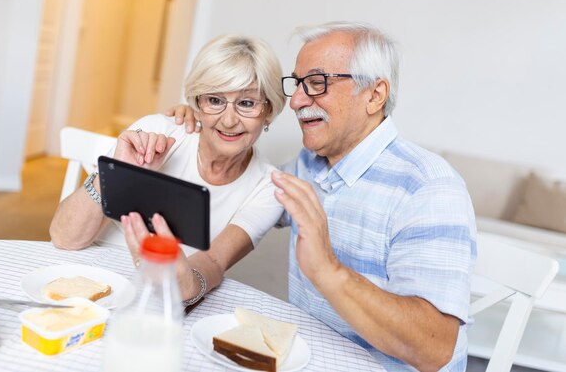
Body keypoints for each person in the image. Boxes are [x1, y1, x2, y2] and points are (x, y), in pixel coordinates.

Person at [170, 22, 476, 371]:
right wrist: (191, 128)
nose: (298, 100)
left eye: (317, 84)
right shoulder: (307, 167)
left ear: (374, 95)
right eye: (298, 84)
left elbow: (434, 349)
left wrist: (328, 270)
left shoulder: (427, 186)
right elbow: (247, 190)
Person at [49, 34, 286, 307]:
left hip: (162, 295)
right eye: (215, 100)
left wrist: (181, 284)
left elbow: (213, 261)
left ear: (268, 111)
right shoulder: (158, 130)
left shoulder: (267, 187)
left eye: (247, 103)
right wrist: (119, 174)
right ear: (197, 103)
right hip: (86, 274)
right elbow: (64, 238)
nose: (229, 120)